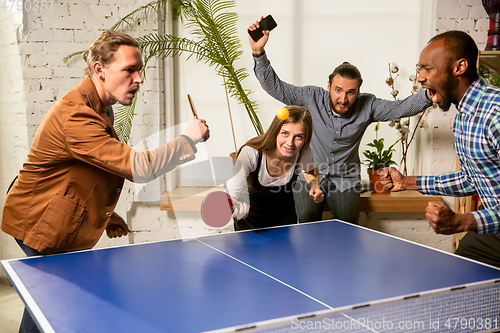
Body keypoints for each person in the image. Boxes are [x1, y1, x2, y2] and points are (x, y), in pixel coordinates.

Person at [1, 30, 209, 333]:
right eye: (129, 70)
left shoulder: (101, 105)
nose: (139, 79)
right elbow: (138, 167)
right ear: (100, 70)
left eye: (140, 70)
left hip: (54, 213)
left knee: (47, 304)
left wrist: (106, 214)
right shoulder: (76, 115)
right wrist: (188, 138)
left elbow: (88, 170)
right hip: (39, 222)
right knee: (59, 303)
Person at [247, 18, 432, 225]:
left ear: (358, 92)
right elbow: (276, 87)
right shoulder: (311, 97)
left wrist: (429, 94)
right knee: (306, 228)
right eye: (338, 90)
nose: (343, 99)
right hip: (308, 175)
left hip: (346, 179)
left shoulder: (368, 105)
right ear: (328, 86)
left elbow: (401, 108)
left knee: (348, 231)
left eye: (350, 92)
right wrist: (258, 53)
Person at [381, 30, 500, 267]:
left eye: (428, 69)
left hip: (490, 224)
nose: (420, 78)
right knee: (457, 284)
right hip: (493, 229)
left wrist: (463, 221)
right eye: (419, 70)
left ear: (459, 67)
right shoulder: (464, 117)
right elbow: (471, 178)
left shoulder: (496, 113)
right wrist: (406, 183)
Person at [226, 105, 324, 231]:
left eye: (298, 136)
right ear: (275, 131)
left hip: (284, 222)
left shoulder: (304, 153)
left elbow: (311, 169)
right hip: (250, 223)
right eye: (285, 133)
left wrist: (315, 187)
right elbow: (231, 193)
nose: (290, 143)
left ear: (305, 139)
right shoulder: (251, 153)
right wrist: (234, 207)